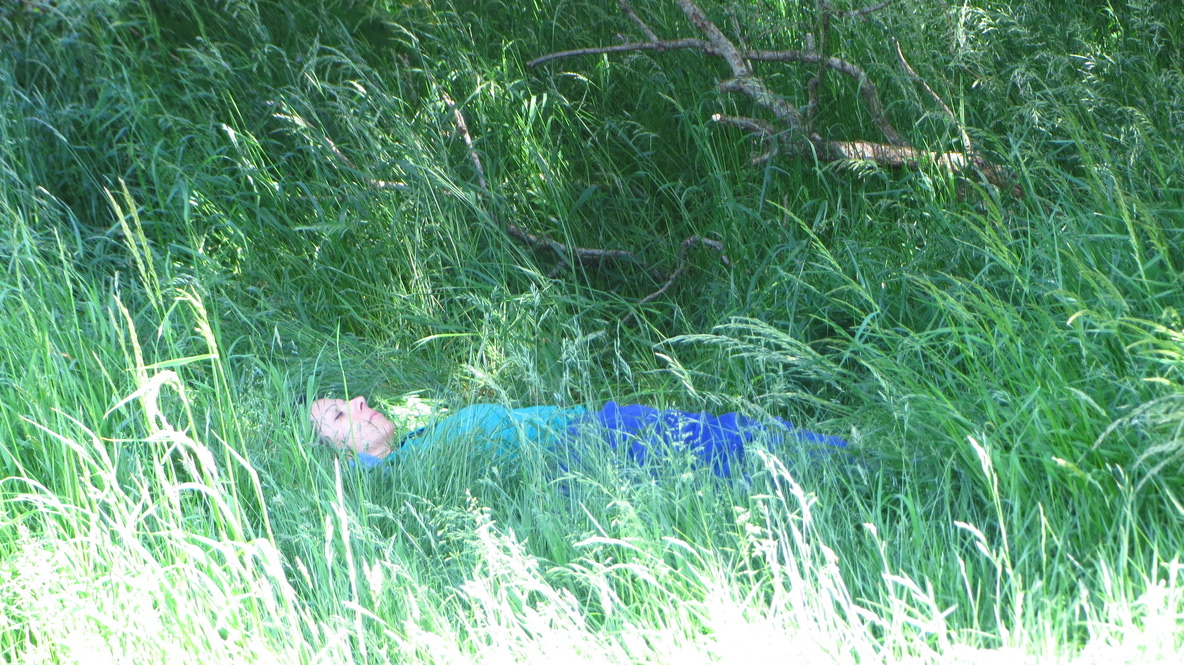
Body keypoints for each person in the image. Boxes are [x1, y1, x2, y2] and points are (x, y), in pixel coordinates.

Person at [309, 396, 848, 477]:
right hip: (580, 452)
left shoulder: (413, 447)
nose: (358, 402)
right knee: (725, 447)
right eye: (338, 417)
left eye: (351, 397)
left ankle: (851, 459)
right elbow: (358, 484)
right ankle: (854, 466)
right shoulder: (392, 475)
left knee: (729, 434)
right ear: (340, 455)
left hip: (590, 426)